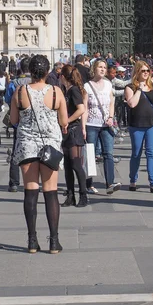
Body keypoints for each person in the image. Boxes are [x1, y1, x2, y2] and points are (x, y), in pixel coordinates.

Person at [10, 55, 68, 254]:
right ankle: (54, 241)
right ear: (47, 71)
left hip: (27, 145)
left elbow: (14, 119)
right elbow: (64, 120)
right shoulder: (55, 91)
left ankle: (32, 240)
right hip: (50, 146)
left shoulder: (20, 91)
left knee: (30, 192)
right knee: (51, 193)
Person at [124, 61, 153, 193]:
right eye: (143, 71)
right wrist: (139, 88)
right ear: (137, 72)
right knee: (136, 154)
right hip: (136, 125)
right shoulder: (129, 87)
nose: (146, 73)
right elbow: (132, 104)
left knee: (151, 153)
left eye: (147, 71)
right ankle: (133, 180)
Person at [83, 60, 121, 194]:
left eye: (104, 67)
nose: (103, 69)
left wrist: (111, 117)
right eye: (100, 67)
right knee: (90, 155)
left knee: (108, 154)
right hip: (91, 124)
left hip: (106, 124)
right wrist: (83, 127)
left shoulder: (108, 84)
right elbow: (85, 108)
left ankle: (110, 183)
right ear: (94, 68)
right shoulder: (87, 86)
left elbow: (111, 102)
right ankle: (88, 184)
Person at [60, 65, 89, 207]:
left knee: (76, 164)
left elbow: (81, 109)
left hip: (74, 130)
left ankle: (83, 195)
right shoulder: (66, 91)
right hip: (66, 131)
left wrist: (68, 120)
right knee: (67, 165)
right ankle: (70, 195)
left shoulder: (74, 91)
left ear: (64, 77)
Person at [4, 57, 32, 193]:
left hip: (18, 122)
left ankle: (14, 183)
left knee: (16, 151)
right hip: (34, 122)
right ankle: (35, 182)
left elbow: (8, 99)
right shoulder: (36, 83)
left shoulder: (14, 83)